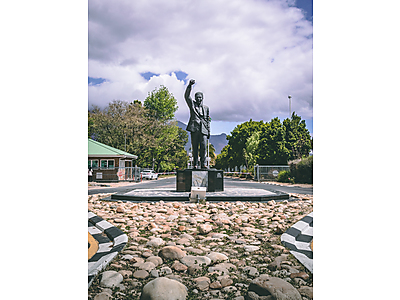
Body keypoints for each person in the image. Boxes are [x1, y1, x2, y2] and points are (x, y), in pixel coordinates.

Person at [184, 79, 210, 169]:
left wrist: (208, 131)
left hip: (203, 129)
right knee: (195, 147)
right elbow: (187, 96)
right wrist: (190, 86)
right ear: (195, 98)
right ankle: (195, 164)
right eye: (197, 97)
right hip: (194, 128)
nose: (199, 99)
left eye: (200, 97)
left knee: (203, 147)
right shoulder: (192, 105)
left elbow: (207, 120)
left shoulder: (206, 108)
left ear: (202, 98)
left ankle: (203, 163)